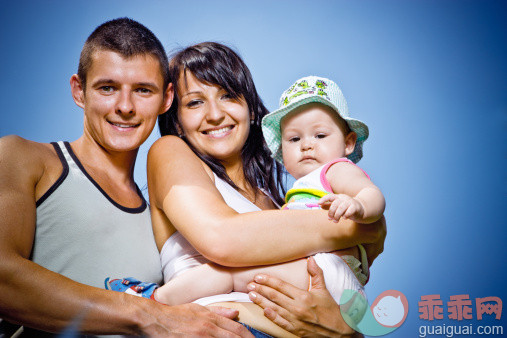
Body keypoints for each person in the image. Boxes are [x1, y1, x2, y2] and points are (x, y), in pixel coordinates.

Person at [108, 42, 386, 337]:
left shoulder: (280, 203)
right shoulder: (170, 151)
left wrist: (342, 328)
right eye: (195, 102)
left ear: (250, 107)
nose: (214, 114)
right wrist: (366, 228)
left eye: (228, 96)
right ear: (176, 120)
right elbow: (221, 240)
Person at [0, 18, 252, 337]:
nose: (125, 107)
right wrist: (145, 313)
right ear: (79, 90)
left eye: (143, 90)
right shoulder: (23, 158)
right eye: (108, 88)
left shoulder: (164, 219)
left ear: (166, 98)